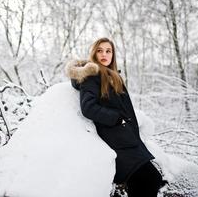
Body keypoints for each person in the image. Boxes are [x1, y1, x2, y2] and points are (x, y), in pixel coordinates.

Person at [65, 38, 165, 197]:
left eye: (108, 51)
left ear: (113, 55)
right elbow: (88, 108)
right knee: (150, 178)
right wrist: (117, 119)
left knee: (147, 181)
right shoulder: (92, 76)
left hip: (127, 139)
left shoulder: (112, 76)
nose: (104, 54)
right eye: (100, 50)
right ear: (94, 53)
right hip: (116, 140)